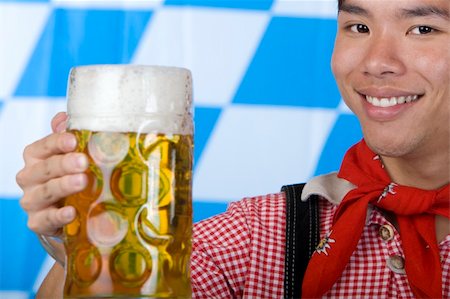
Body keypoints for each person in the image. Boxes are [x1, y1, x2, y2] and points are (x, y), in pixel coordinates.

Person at [16, 0, 449, 298]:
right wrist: (86, 248)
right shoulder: (265, 233)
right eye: (358, 26)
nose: (376, 60)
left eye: (423, 28)